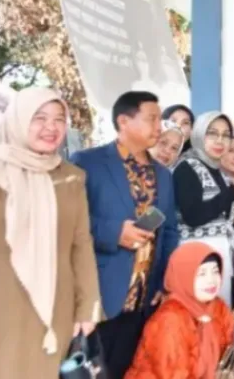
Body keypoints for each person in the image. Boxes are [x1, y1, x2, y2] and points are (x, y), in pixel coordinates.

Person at [0, 87, 101, 379]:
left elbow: (81, 244)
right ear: (18, 120)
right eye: (39, 118)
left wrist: (88, 306)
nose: (51, 127)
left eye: (59, 119)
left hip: (56, 307)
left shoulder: (71, 177)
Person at [71, 91, 181, 376]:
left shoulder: (163, 175)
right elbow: (68, 221)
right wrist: (113, 233)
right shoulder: (88, 162)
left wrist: (164, 280)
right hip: (100, 294)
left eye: (160, 119)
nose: (159, 126)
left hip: (144, 298)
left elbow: (169, 230)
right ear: (123, 121)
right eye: (152, 119)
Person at [173, 111, 234, 304]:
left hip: (222, 261)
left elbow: (227, 226)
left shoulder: (221, 174)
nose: (220, 140)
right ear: (199, 133)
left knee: (218, 316)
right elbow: (193, 216)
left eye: (226, 135)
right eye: (213, 133)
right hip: (197, 262)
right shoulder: (186, 168)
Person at [125, 242, 234, 378]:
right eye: (201, 274)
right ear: (184, 276)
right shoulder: (170, 320)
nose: (211, 280)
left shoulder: (217, 307)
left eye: (215, 271)